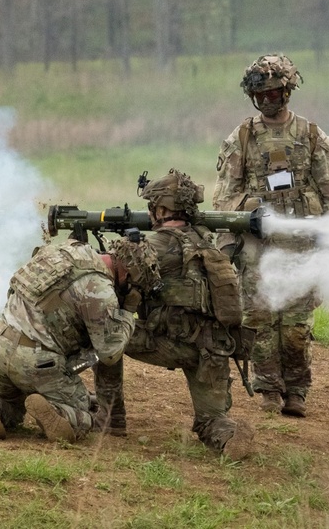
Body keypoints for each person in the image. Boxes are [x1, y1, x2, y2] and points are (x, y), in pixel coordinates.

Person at [212, 53, 329, 417]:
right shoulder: (242, 137)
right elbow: (224, 196)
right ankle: (269, 388)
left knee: (297, 324)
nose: (268, 101)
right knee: (259, 318)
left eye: (275, 93)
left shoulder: (311, 136)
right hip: (257, 245)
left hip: (301, 243)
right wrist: (236, 234)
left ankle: (297, 391)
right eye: (262, 96)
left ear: (288, 91)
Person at [92, 170, 255, 459]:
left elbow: (113, 282)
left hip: (168, 342)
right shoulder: (209, 243)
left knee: (105, 331)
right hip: (211, 351)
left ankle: (109, 416)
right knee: (211, 420)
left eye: (153, 207)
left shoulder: (154, 247)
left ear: (162, 209)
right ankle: (229, 437)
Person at [0, 235, 161, 443]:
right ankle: (60, 413)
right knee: (84, 417)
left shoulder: (63, 251)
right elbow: (108, 353)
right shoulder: (98, 289)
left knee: (11, 403)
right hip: (36, 362)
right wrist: (128, 311)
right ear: (126, 272)